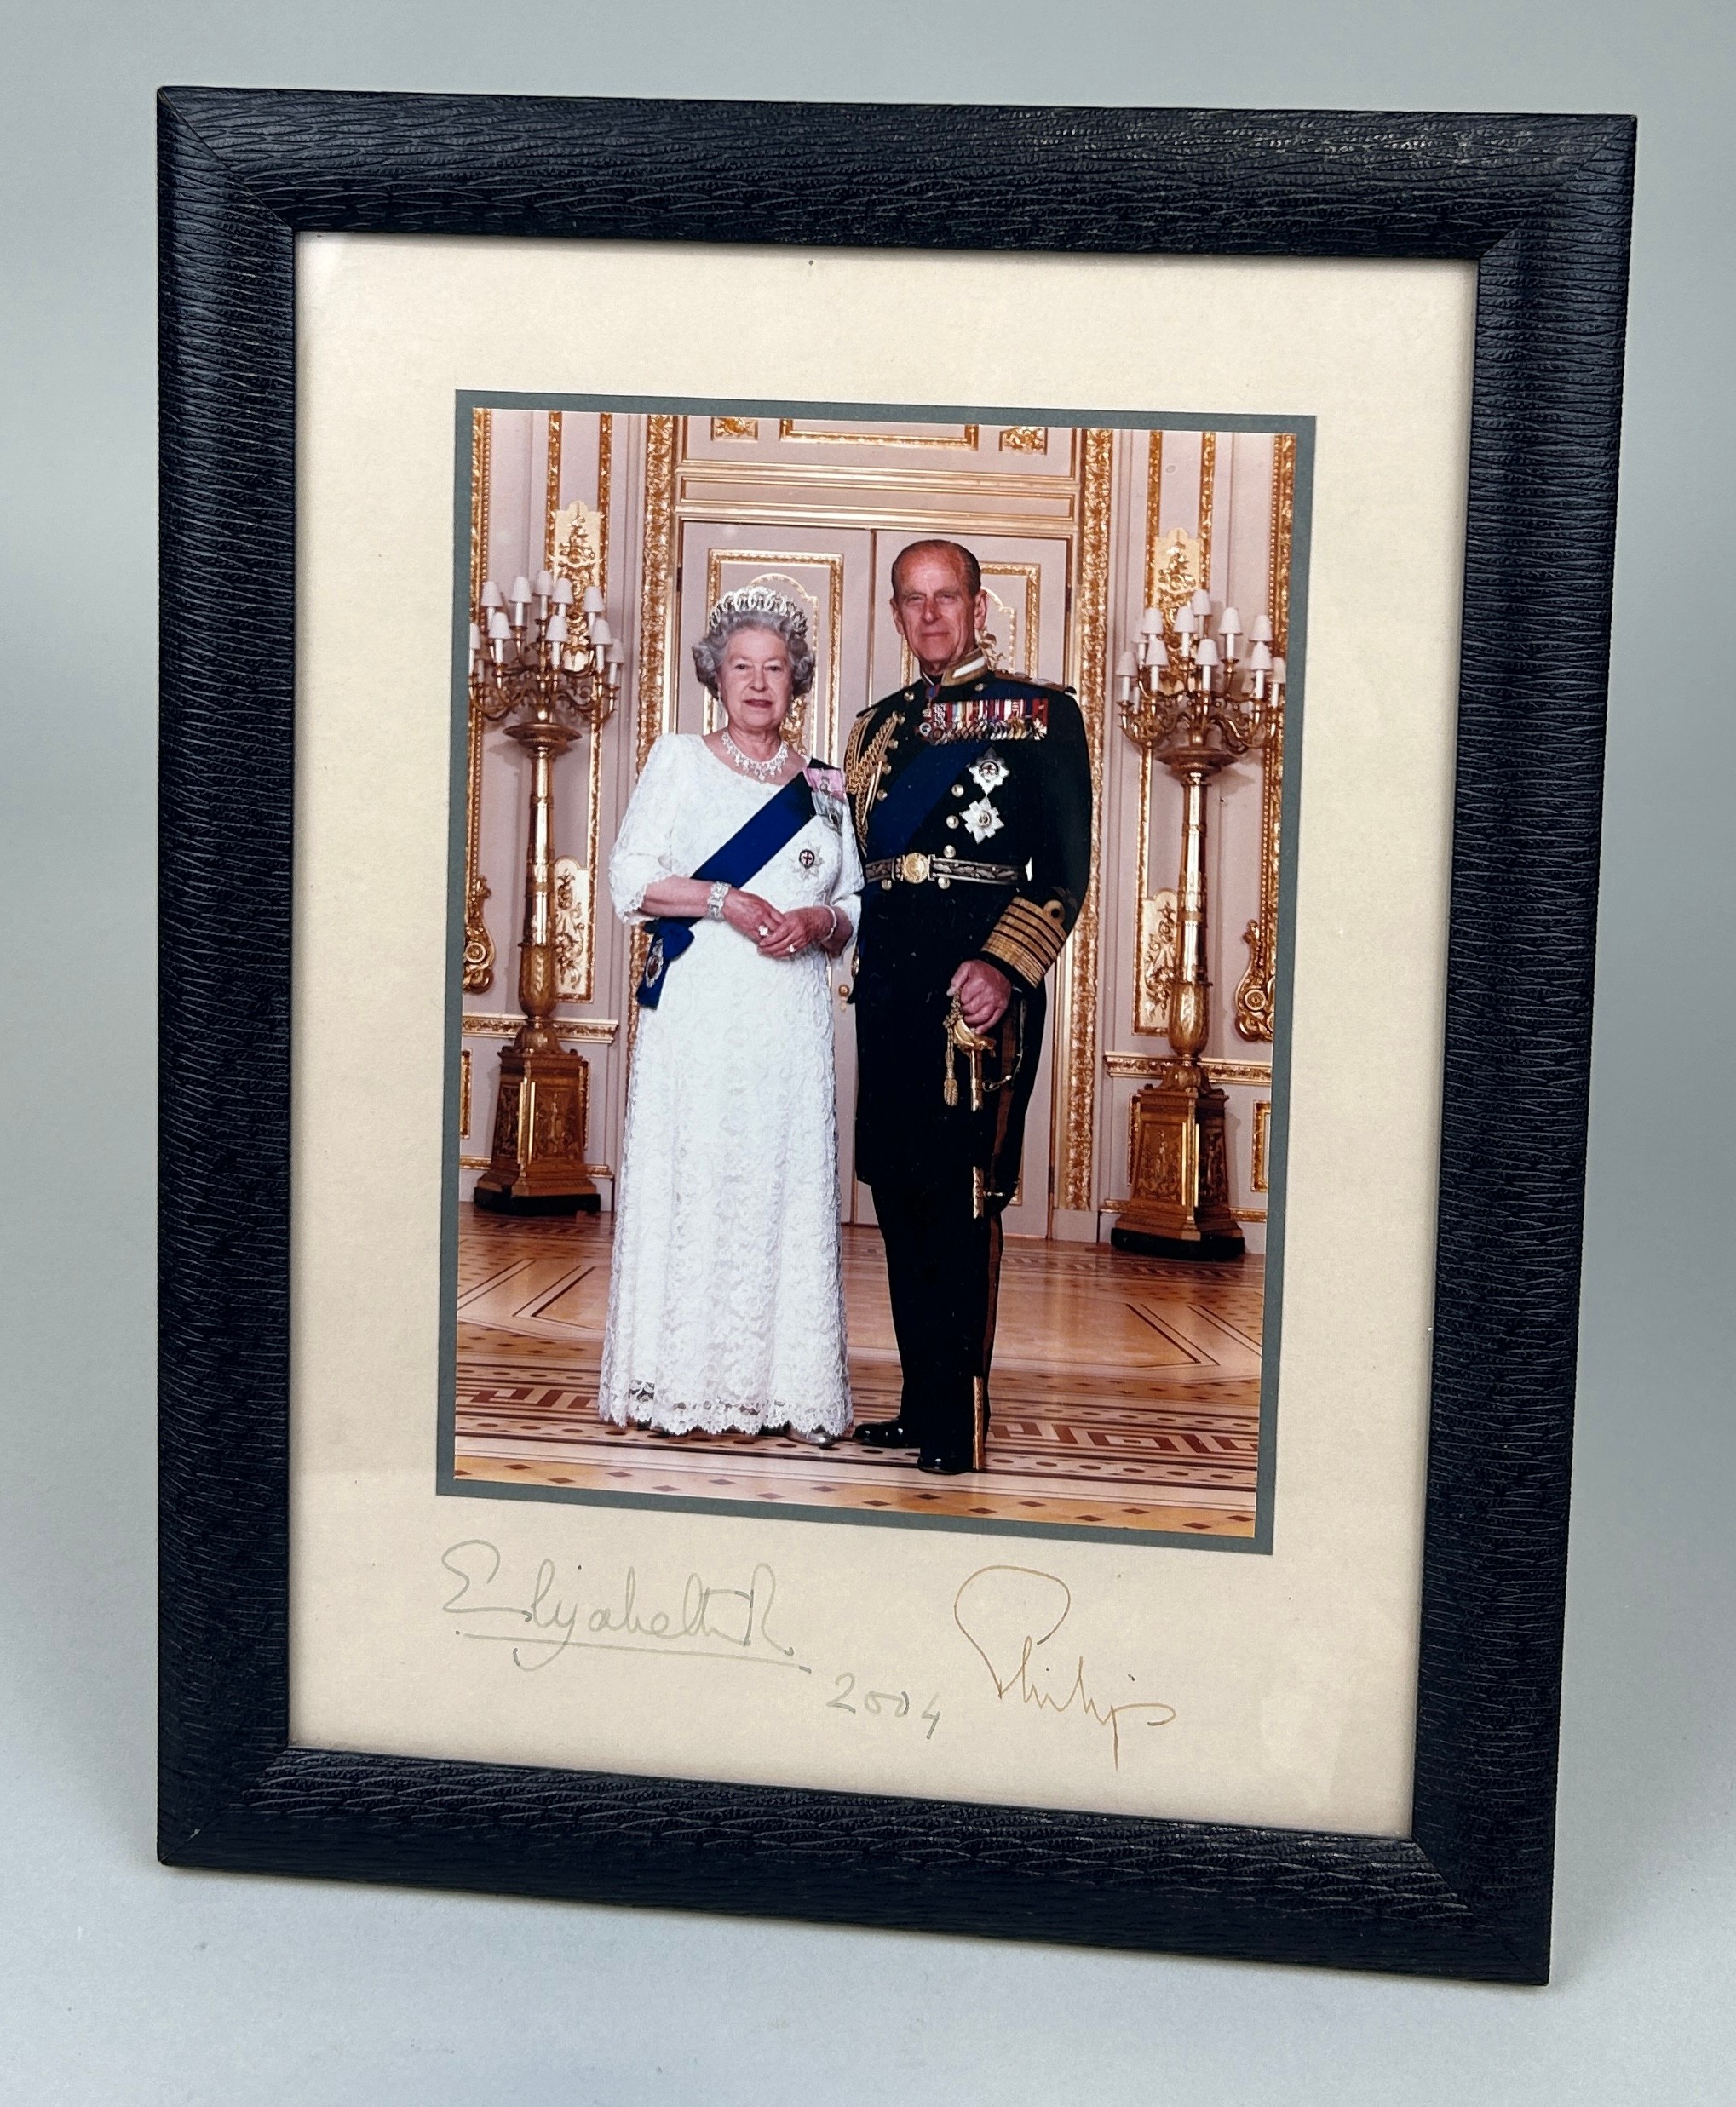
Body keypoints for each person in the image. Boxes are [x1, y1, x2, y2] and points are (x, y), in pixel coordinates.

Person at [845, 540, 1093, 1474]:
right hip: (890, 989)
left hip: (973, 998)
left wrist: (1004, 967)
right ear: (898, 614)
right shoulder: (876, 728)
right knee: (899, 1194)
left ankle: (960, 1415)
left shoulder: (1038, 715)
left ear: (979, 605)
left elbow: (1063, 872)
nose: (931, 614)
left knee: (958, 1198)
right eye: (913, 600)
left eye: (947, 596)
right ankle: (916, 1402)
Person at [597, 588, 861, 1444]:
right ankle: (678, 1382)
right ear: (714, 675)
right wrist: (724, 900)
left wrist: (818, 921)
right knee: (699, 1174)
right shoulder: (678, 758)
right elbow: (630, 877)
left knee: (777, 1182)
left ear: (797, 682)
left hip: (788, 1017)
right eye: (741, 666)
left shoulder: (823, 785)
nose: (758, 683)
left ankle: (776, 1387)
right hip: (704, 1010)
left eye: (775, 668)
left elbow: (852, 896)